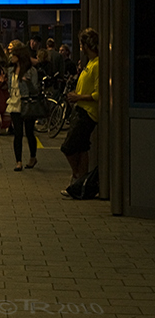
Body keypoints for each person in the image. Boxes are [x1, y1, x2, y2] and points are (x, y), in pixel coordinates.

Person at [60, 28, 100, 195]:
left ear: (85, 45)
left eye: (81, 44)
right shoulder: (89, 64)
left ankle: (77, 176)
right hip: (82, 110)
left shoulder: (96, 65)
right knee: (82, 148)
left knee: (68, 147)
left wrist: (78, 97)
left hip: (87, 112)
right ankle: (82, 182)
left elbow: (98, 93)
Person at [5, 41, 40, 171]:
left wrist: (28, 83)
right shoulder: (10, 71)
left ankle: (32, 157)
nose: (11, 57)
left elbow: (35, 90)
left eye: (13, 54)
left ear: (19, 55)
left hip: (27, 103)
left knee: (30, 132)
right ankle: (18, 161)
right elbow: (9, 86)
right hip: (14, 102)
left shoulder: (31, 71)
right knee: (18, 133)